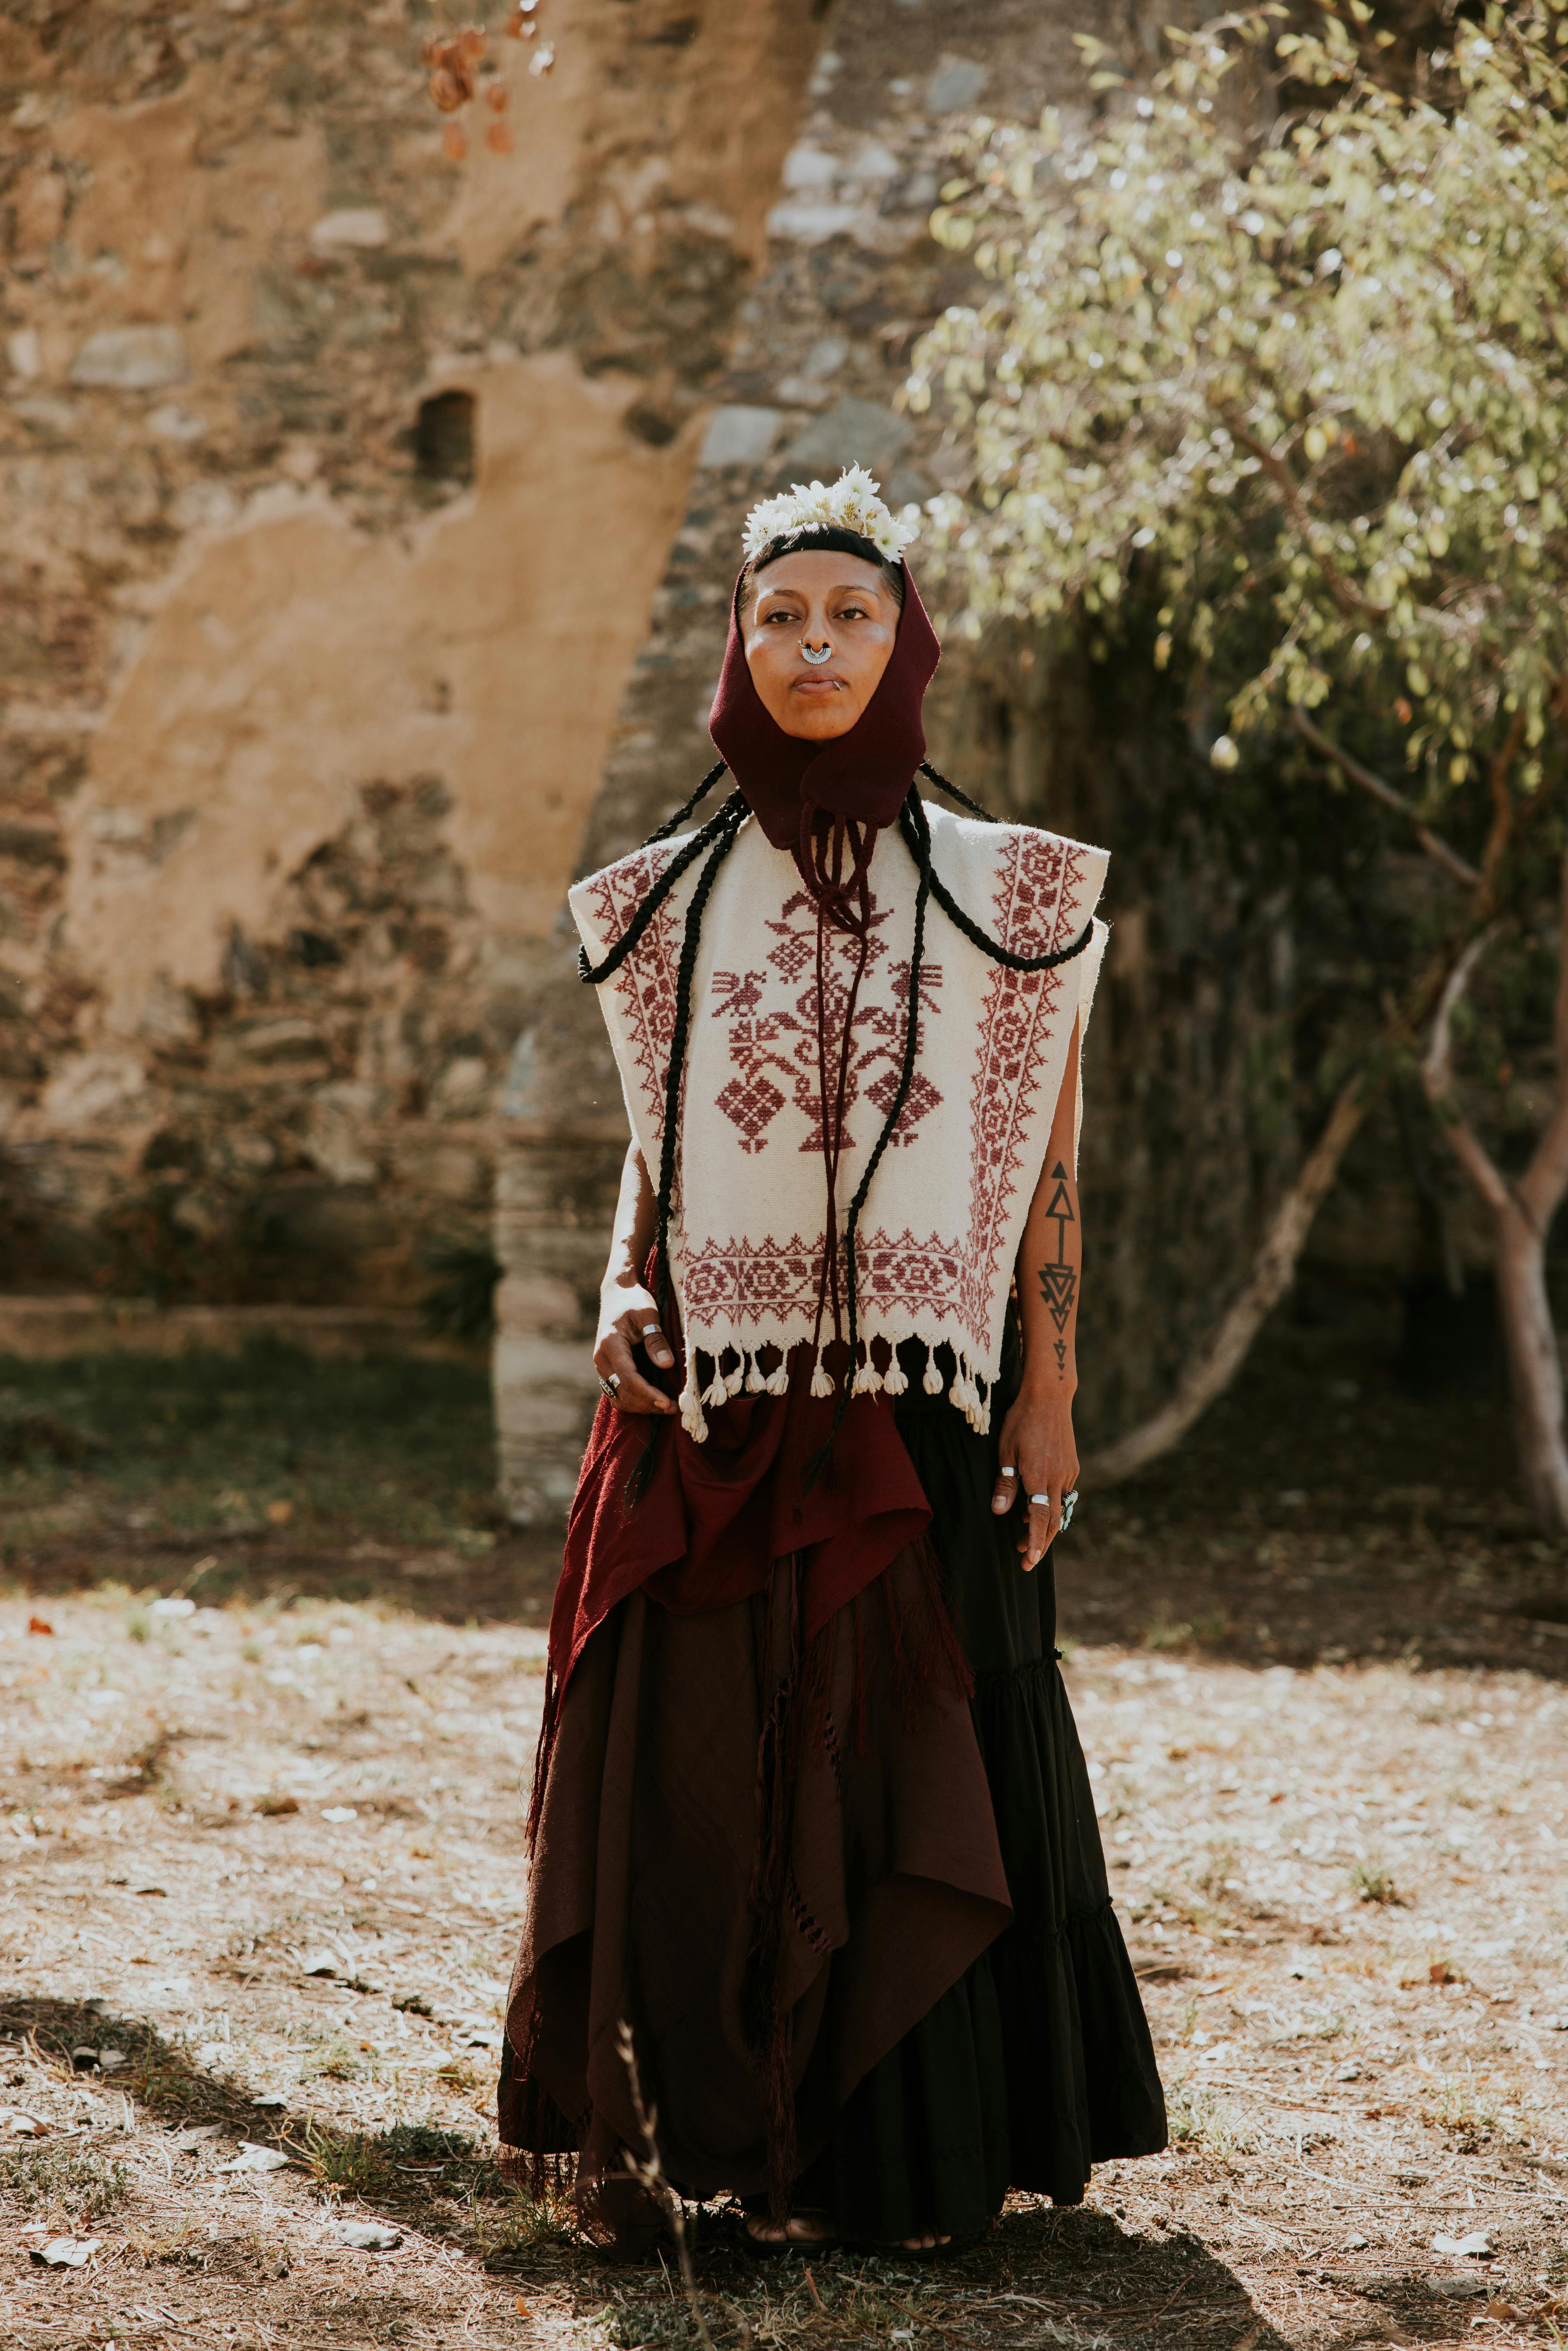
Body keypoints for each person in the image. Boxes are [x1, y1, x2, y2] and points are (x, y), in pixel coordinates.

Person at [499, 466, 1166, 2256]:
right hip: (719, 1398)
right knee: (718, 1759)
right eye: (782, 614)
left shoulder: (1017, 892)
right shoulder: (660, 897)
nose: (815, 645)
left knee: (924, 1745)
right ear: (739, 640)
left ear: (908, 645)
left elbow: (1047, 1159)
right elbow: (661, 1135)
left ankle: (917, 2165)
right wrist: (617, 1290)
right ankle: (730, 2146)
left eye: (852, 615)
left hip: (933, 1410)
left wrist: (1050, 1386)